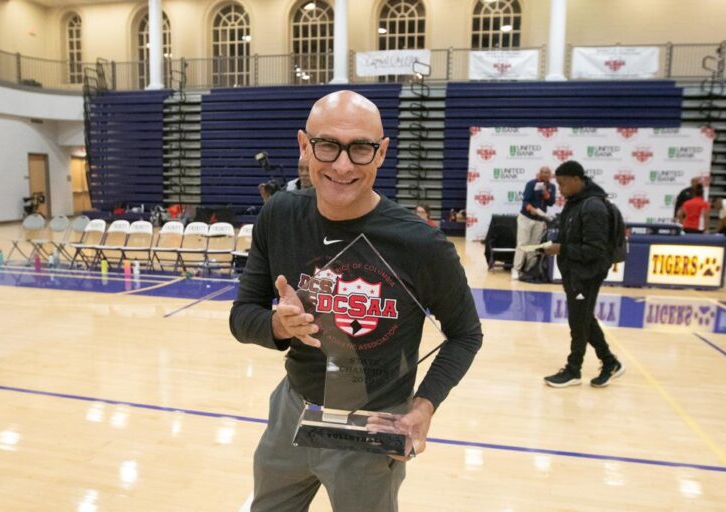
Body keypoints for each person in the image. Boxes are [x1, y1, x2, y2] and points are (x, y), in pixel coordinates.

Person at [229, 90, 483, 512]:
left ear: (381, 153)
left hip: (373, 425)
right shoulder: (279, 215)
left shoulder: (421, 244)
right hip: (292, 407)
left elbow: (465, 335)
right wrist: (277, 326)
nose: (342, 165)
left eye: (361, 149)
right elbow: (242, 317)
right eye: (327, 145)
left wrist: (423, 406)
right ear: (304, 146)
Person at [542, 160, 624, 388]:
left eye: (563, 184)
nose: (560, 189)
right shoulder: (575, 203)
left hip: (588, 274)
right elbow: (574, 239)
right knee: (583, 318)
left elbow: (595, 250)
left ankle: (574, 369)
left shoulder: (593, 207)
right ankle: (609, 362)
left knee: (579, 320)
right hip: (575, 272)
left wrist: (562, 249)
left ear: (577, 180)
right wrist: (556, 245)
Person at [512, 166, 556, 280]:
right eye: (543, 172)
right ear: (539, 173)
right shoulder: (531, 184)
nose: (545, 174)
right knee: (522, 244)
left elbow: (551, 202)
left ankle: (528, 270)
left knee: (533, 246)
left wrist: (546, 193)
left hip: (540, 220)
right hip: (526, 218)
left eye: (548, 173)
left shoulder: (552, 187)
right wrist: (529, 207)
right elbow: (525, 200)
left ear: (550, 175)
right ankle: (516, 269)